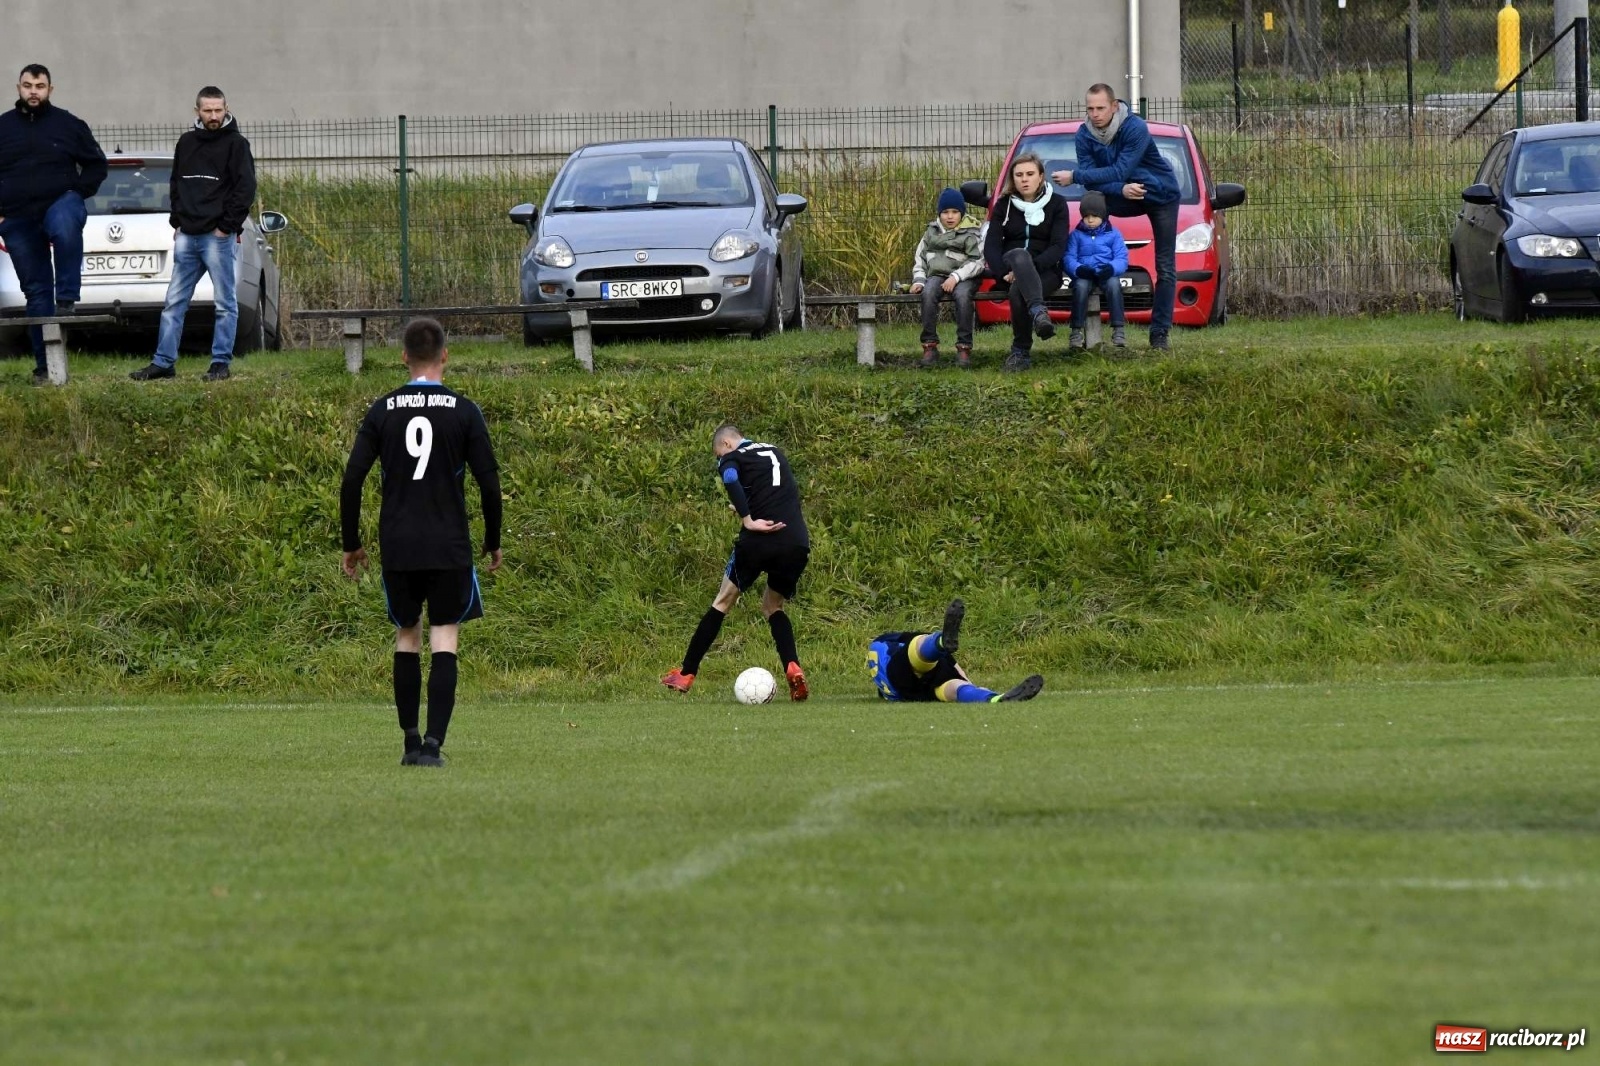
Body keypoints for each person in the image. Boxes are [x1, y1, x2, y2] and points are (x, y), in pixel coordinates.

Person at [339, 318, 503, 767]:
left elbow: (352, 479)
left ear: (404, 357)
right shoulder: (464, 411)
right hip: (448, 544)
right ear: (445, 355)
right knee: (444, 636)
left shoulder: (383, 410)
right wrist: (493, 539)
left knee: (406, 635)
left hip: (400, 545)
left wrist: (351, 541)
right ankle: (433, 746)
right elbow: (489, 483)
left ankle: (410, 742)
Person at [663, 424, 810, 700]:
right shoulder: (774, 451)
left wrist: (747, 518)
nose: (720, 459)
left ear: (727, 444)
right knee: (773, 606)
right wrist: (746, 506)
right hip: (795, 541)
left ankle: (686, 674)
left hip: (758, 540)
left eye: (719, 454)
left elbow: (730, 478)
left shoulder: (732, 456)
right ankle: (793, 666)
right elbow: (772, 493)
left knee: (722, 602)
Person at [130, 87, 257, 383]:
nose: (213, 116)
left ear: (226, 108)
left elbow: (245, 189)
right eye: (207, 110)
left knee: (224, 304)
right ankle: (163, 363)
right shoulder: (186, 143)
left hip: (217, 237)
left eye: (218, 110)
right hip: (187, 235)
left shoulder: (237, 144)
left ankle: (220, 363)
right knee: (174, 303)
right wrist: (177, 221)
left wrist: (226, 227)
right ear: (197, 111)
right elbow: (176, 183)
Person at [1050, 84, 1180, 351]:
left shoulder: (1134, 128)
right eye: (1090, 109)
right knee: (1093, 203)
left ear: (1114, 106)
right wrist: (1120, 189)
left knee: (1165, 266)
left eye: (1100, 108)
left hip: (1160, 194)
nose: (1095, 114)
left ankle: (1159, 334)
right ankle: (1088, 280)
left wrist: (1074, 176)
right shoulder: (1084, 135)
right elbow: (1093, 183)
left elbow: (1120, 169)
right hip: (1123, 193)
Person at [0, 64, 106, 386]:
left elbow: (96, 165)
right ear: (18, 87)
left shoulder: (69, 125)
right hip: (17, 217)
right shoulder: (3, 127)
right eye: (28, 85)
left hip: (60, 203)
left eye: (40, 86)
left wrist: (77, 192)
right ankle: (46, 369)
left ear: (50, 89)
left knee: (64, 222)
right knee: (36, 293)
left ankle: (68, 297)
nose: (33, 91)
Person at [982, 151, 1069, 373]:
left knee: (1017, 290)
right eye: (1019, 175)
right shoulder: (1003, 205)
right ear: (1013, 179)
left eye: (1030, 174)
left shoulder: (1057, 204)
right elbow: (991, 246)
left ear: (1041, 176)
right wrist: (1003, 273)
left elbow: (1058, 246)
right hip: (1008, 269)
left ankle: (1020, 352)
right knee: (1019, 254)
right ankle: (1039, 311)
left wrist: (1028, 269)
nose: (1024, 179)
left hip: (1046, 271)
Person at [867, 599, 1044, 704]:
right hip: (899, 671)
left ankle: (994, 699)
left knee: (954, 688)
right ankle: (940, 642)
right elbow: (914, 638)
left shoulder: (885, 688)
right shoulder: (884, 641)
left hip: (909, 693)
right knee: (917, 648)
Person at [909, 187, 984, 368]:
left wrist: (956, 277)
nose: (950, 217)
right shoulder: (931, 232)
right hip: (936, 275)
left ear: (962, 213)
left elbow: (978, 261)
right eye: (945, 212)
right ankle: (929, 345)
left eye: (955, 212)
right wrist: (919, 280)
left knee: (963, 296)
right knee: (928, 293)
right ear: (939, 213)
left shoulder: (971, 233)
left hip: (965, 277)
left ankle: (964, 347)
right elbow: (920, 258)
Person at [1063, 190, 1129, 350]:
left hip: (1105, 273)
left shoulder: (1114, 234)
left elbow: (1122, 258)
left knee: (1114, 285)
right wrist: (1078, 269)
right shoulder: (1076, 235)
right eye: (1086, 216)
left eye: (1095, 216)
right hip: (1085, 274)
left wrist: (1111, 268)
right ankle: (1076, 331)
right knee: (1080, 287)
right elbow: (1068, 257)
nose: (1090, 220)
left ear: (1104, 215)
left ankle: (1118, 329)